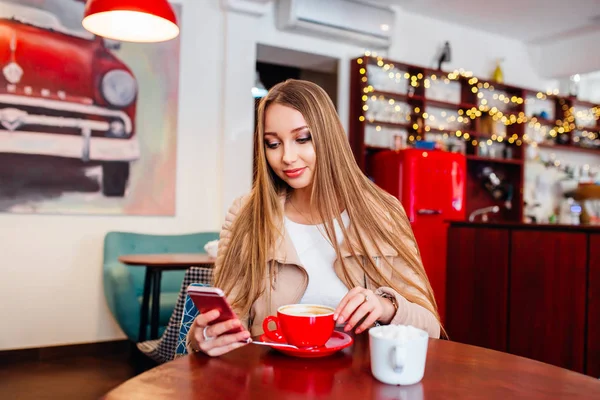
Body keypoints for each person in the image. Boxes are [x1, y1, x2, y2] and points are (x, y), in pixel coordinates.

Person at [188, 79, 442, 357]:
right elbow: (227, 319)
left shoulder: (383, 212)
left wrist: (385, 306)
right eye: (273, 144)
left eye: (302, 138)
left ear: (329, 137)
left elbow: (430, 327)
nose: (287, 157)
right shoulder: (246, 214)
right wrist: (206, 336)